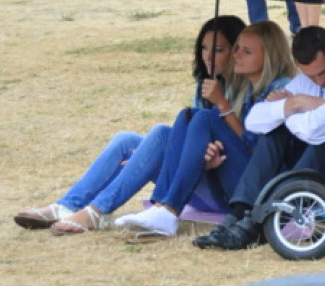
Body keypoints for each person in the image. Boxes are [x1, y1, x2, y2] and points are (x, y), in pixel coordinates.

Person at [13, 16, 246, 236]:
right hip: (193, 174)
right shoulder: (206, 86)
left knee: (161, 134)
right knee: (126, 140)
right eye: (204, 48)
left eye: (218, 50)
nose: (208, 57)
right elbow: (187, 141)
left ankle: (96, 212)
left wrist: (221, 106)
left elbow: (244, 150)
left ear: (236, 51)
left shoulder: (247, 89)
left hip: (218, 186)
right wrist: (148, 157)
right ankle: (66, 205)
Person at [114, 22, 294, 238]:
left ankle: (170, 209)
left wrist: (222, 105)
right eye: (237, 48)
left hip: (264, 187)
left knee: (205, 117)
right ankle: (161, 205)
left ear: (269, 57)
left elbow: (260, 151)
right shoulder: (249, 85)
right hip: (238, 178)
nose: (236, 55)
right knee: (187, 115)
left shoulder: (281, 88)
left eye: (247, 52)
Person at [194, 26, 325, 251]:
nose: (318, 82)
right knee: (274, 132)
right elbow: (254, 122)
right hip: (309, 173)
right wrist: (294, 105)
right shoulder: (304, 82)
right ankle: (238, 214)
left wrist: (291, 106)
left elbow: (315, 129)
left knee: (321, 139)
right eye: (310, 75)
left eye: (323, 73)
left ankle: (256, 223)